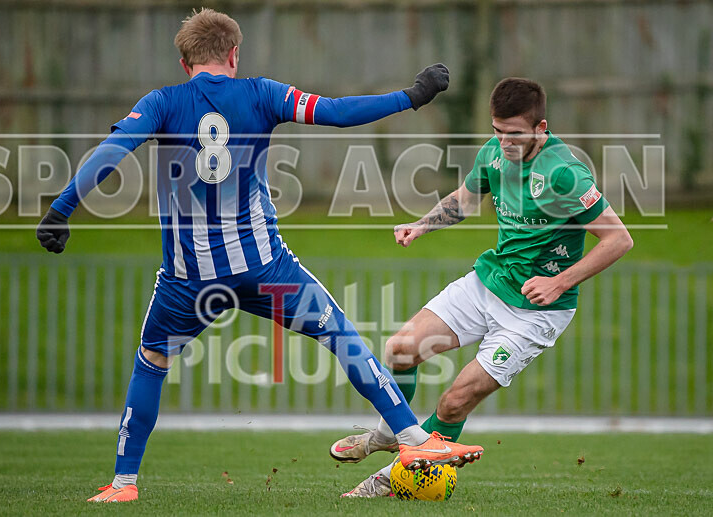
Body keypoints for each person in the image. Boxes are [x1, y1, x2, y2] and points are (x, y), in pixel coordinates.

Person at [36, 8, 482, 503]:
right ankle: (413, 438)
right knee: (338, 333)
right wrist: (412, 96)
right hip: (264, 268)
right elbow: (336, 111)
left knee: (151, 362)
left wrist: (61, 209)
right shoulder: (263, 93)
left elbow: (112, 150)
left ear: (184, 63)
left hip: (189, 281)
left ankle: (123, 484)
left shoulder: (161, 102)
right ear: (234, 54)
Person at [333, 77, 634, 497]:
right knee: (400, 349)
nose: (504, 142)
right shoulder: (493, 153)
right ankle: (390, 434)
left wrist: (558, 282)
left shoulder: (565, 174)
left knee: (455, 401)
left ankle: (392, 479)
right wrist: (421, 225)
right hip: (490, 282)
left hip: (536, 312)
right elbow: (464, 201)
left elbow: (619, 239)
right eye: (497, 130)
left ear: (541, 128)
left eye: (515, 133)